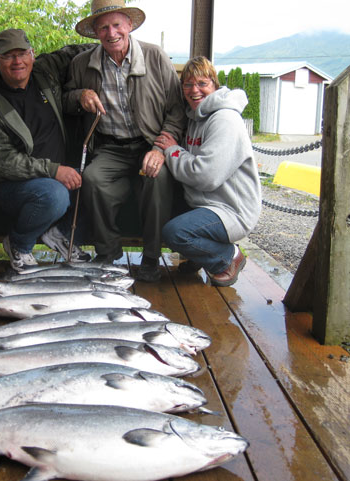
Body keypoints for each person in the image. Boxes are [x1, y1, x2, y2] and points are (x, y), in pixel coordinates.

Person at [63, 0, 186, 282]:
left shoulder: (155, 56)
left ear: (129, 25)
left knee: (158, 178)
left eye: (117, 25)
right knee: (92, 178)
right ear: (95, 32)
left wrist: (159, 148)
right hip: (110, 147)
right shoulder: (82, 64)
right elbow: (65, 100)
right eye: (103, 27)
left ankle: (152, 257)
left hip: (149, 144)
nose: (111, 33)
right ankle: (108, 254)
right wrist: (80, 96)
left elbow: (177, 109)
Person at [0, 29, 93, 271]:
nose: (17, 62)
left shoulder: (44, 71)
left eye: (22, 53)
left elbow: (73, 51)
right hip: (11, 184)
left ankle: (59, 235)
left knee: (97, 180)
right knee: (54, 195)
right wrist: (54, 171)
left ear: (32, 55)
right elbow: (5, 161)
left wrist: (110, 48)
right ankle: (18, 244)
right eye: (7, 56)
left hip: (54, 175)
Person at [154, 56, 262, 287]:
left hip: (231, 210)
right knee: (159, 207)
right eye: (188, 85)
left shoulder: (225, 120)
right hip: (206, 204)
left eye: (202, 83)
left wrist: (172, 150)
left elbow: (206, 175)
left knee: (175, 232)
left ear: (214, 84)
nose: (195, 90)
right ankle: (198, 256)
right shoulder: (194, 117)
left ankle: (227, 257)